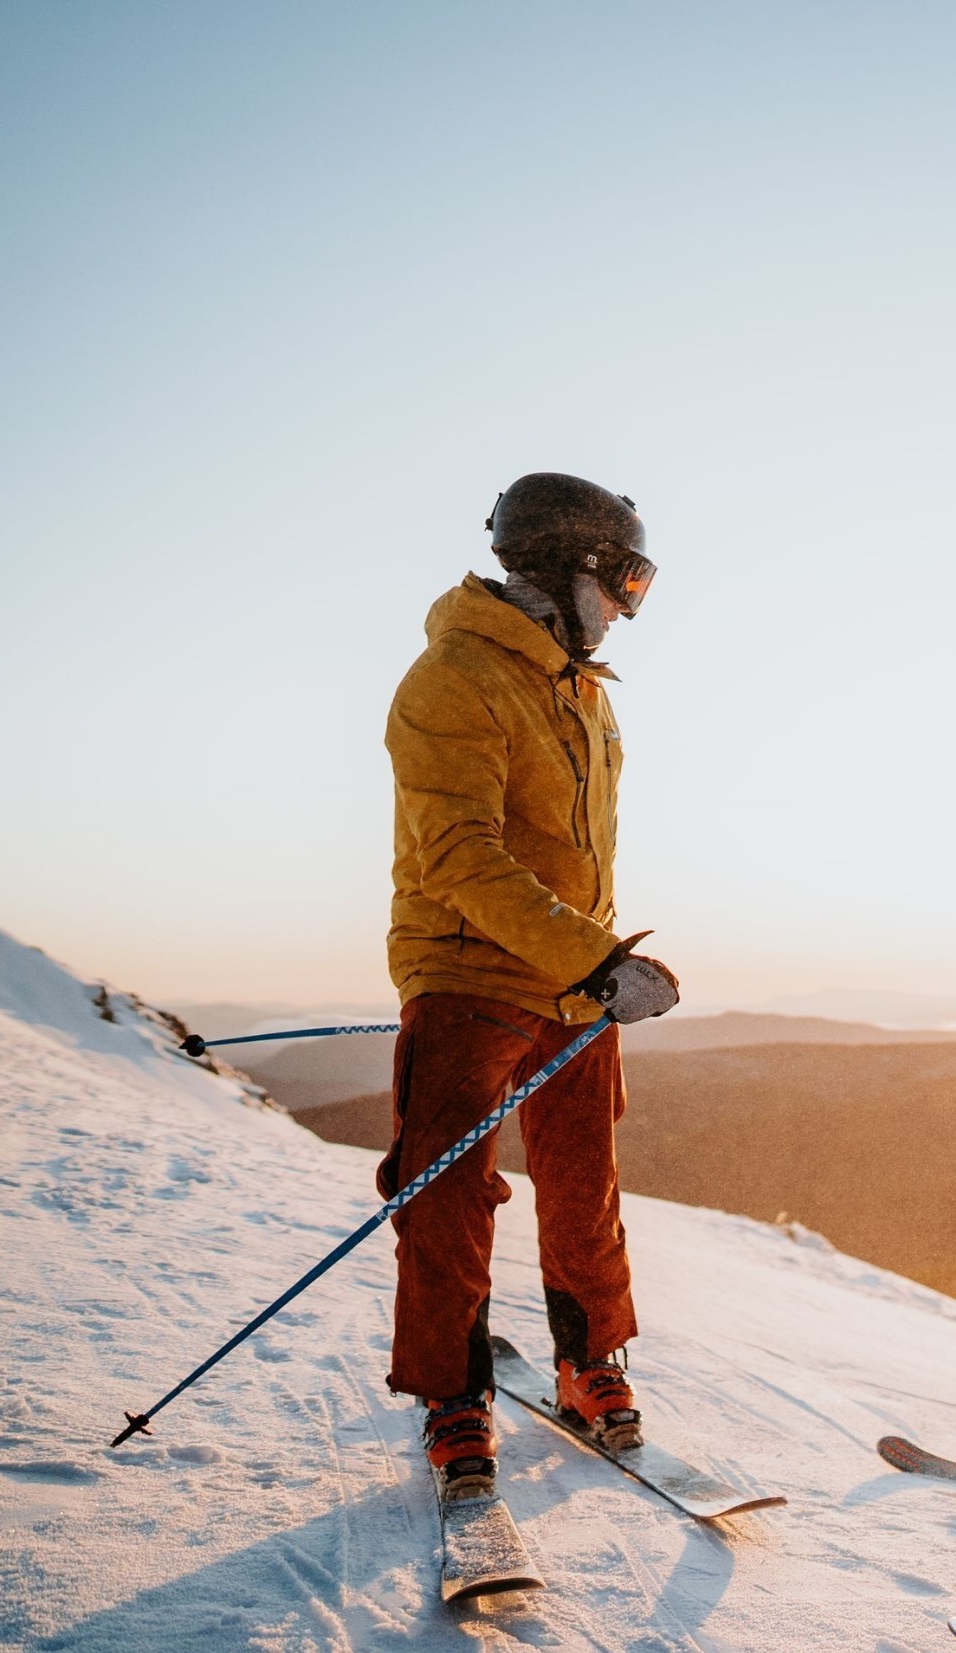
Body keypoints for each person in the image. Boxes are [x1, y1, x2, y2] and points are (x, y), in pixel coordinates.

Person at [382, 473, 683, 1501]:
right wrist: (594, 960)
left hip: (572, 984)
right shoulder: (453, 678)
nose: (630, 609)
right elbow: (459, 856)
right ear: (570, 568)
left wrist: (598, 960)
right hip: (468, 969)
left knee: (584, 1183)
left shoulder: (582, 695)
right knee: (449, 1193)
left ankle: (589, 1359)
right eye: (628, 582)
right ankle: (453, 1394)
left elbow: (568, 855)